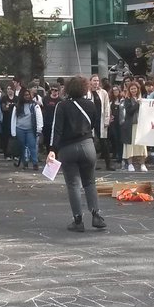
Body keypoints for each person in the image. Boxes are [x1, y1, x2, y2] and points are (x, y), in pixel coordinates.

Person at [47, 76, 106, 232]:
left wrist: (52, 149)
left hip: (68, 148)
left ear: (67, 89)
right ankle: (96, 215)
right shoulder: (91, 105)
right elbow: (94, 124)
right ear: (85, 88)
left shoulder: (62, 106)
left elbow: (56, 130)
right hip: (88, 146)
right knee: (90, 182)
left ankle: (78, 220)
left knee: (73, 184)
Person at [10, 87, 43, 169]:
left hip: (31, 129)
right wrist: (13, 132)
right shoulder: (17, 106)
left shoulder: (35, 105)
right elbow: (13, 119)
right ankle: (25, 163)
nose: (27, 96)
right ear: (22, 96)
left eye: (28, 95)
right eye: (25, 95)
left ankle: (35, 163)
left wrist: (39, 129)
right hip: (19, 129)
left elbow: (39, 117)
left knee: (32, 146)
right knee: (22, 146)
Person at [119, 81, 148, 172]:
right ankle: (130, 164)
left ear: (138, 89)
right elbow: (129, 111)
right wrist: (136, 104)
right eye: (131, 89)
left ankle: (142, 164)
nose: (133, 90)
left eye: (135, 88)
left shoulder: (143, 99)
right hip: (130, 125)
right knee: (130, 145)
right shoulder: (127, 100)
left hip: (141, 125)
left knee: (142, 145)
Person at [88, 75, 114, 170]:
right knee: (91, 143)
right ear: (90, 81)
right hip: (90, 121)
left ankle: (108, 164)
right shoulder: (87, 92)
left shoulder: (103, 93)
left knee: (104, 143)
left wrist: (107, 119)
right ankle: (92, 165)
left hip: (100, 119)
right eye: (94, 80)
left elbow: (107, 107)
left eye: (97, 81)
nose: (96, 82)